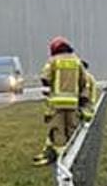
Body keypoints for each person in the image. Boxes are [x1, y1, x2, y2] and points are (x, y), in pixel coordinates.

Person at [35, 36, 96, 165]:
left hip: (57, 104)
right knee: (73, 130)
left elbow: (45, 78)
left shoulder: (53, 61)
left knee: (58, 132)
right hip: (73, 103)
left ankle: (62, 160)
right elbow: (84, 81)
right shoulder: (76, 61)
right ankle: (75, 157)